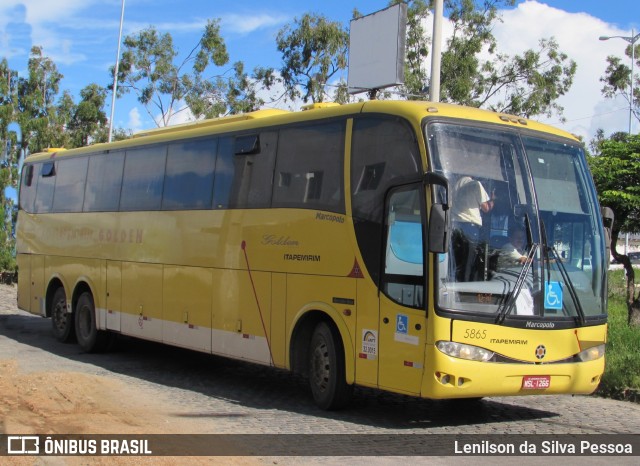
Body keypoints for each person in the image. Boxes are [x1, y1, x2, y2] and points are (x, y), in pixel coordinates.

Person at [451, 176, 495, 281]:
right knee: (468, 263)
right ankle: (464, 287)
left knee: (456, 261)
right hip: (470, 227)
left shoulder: (457, 185)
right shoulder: (476, 184)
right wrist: (493, 199)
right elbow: (486, 208)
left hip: (455, 226)